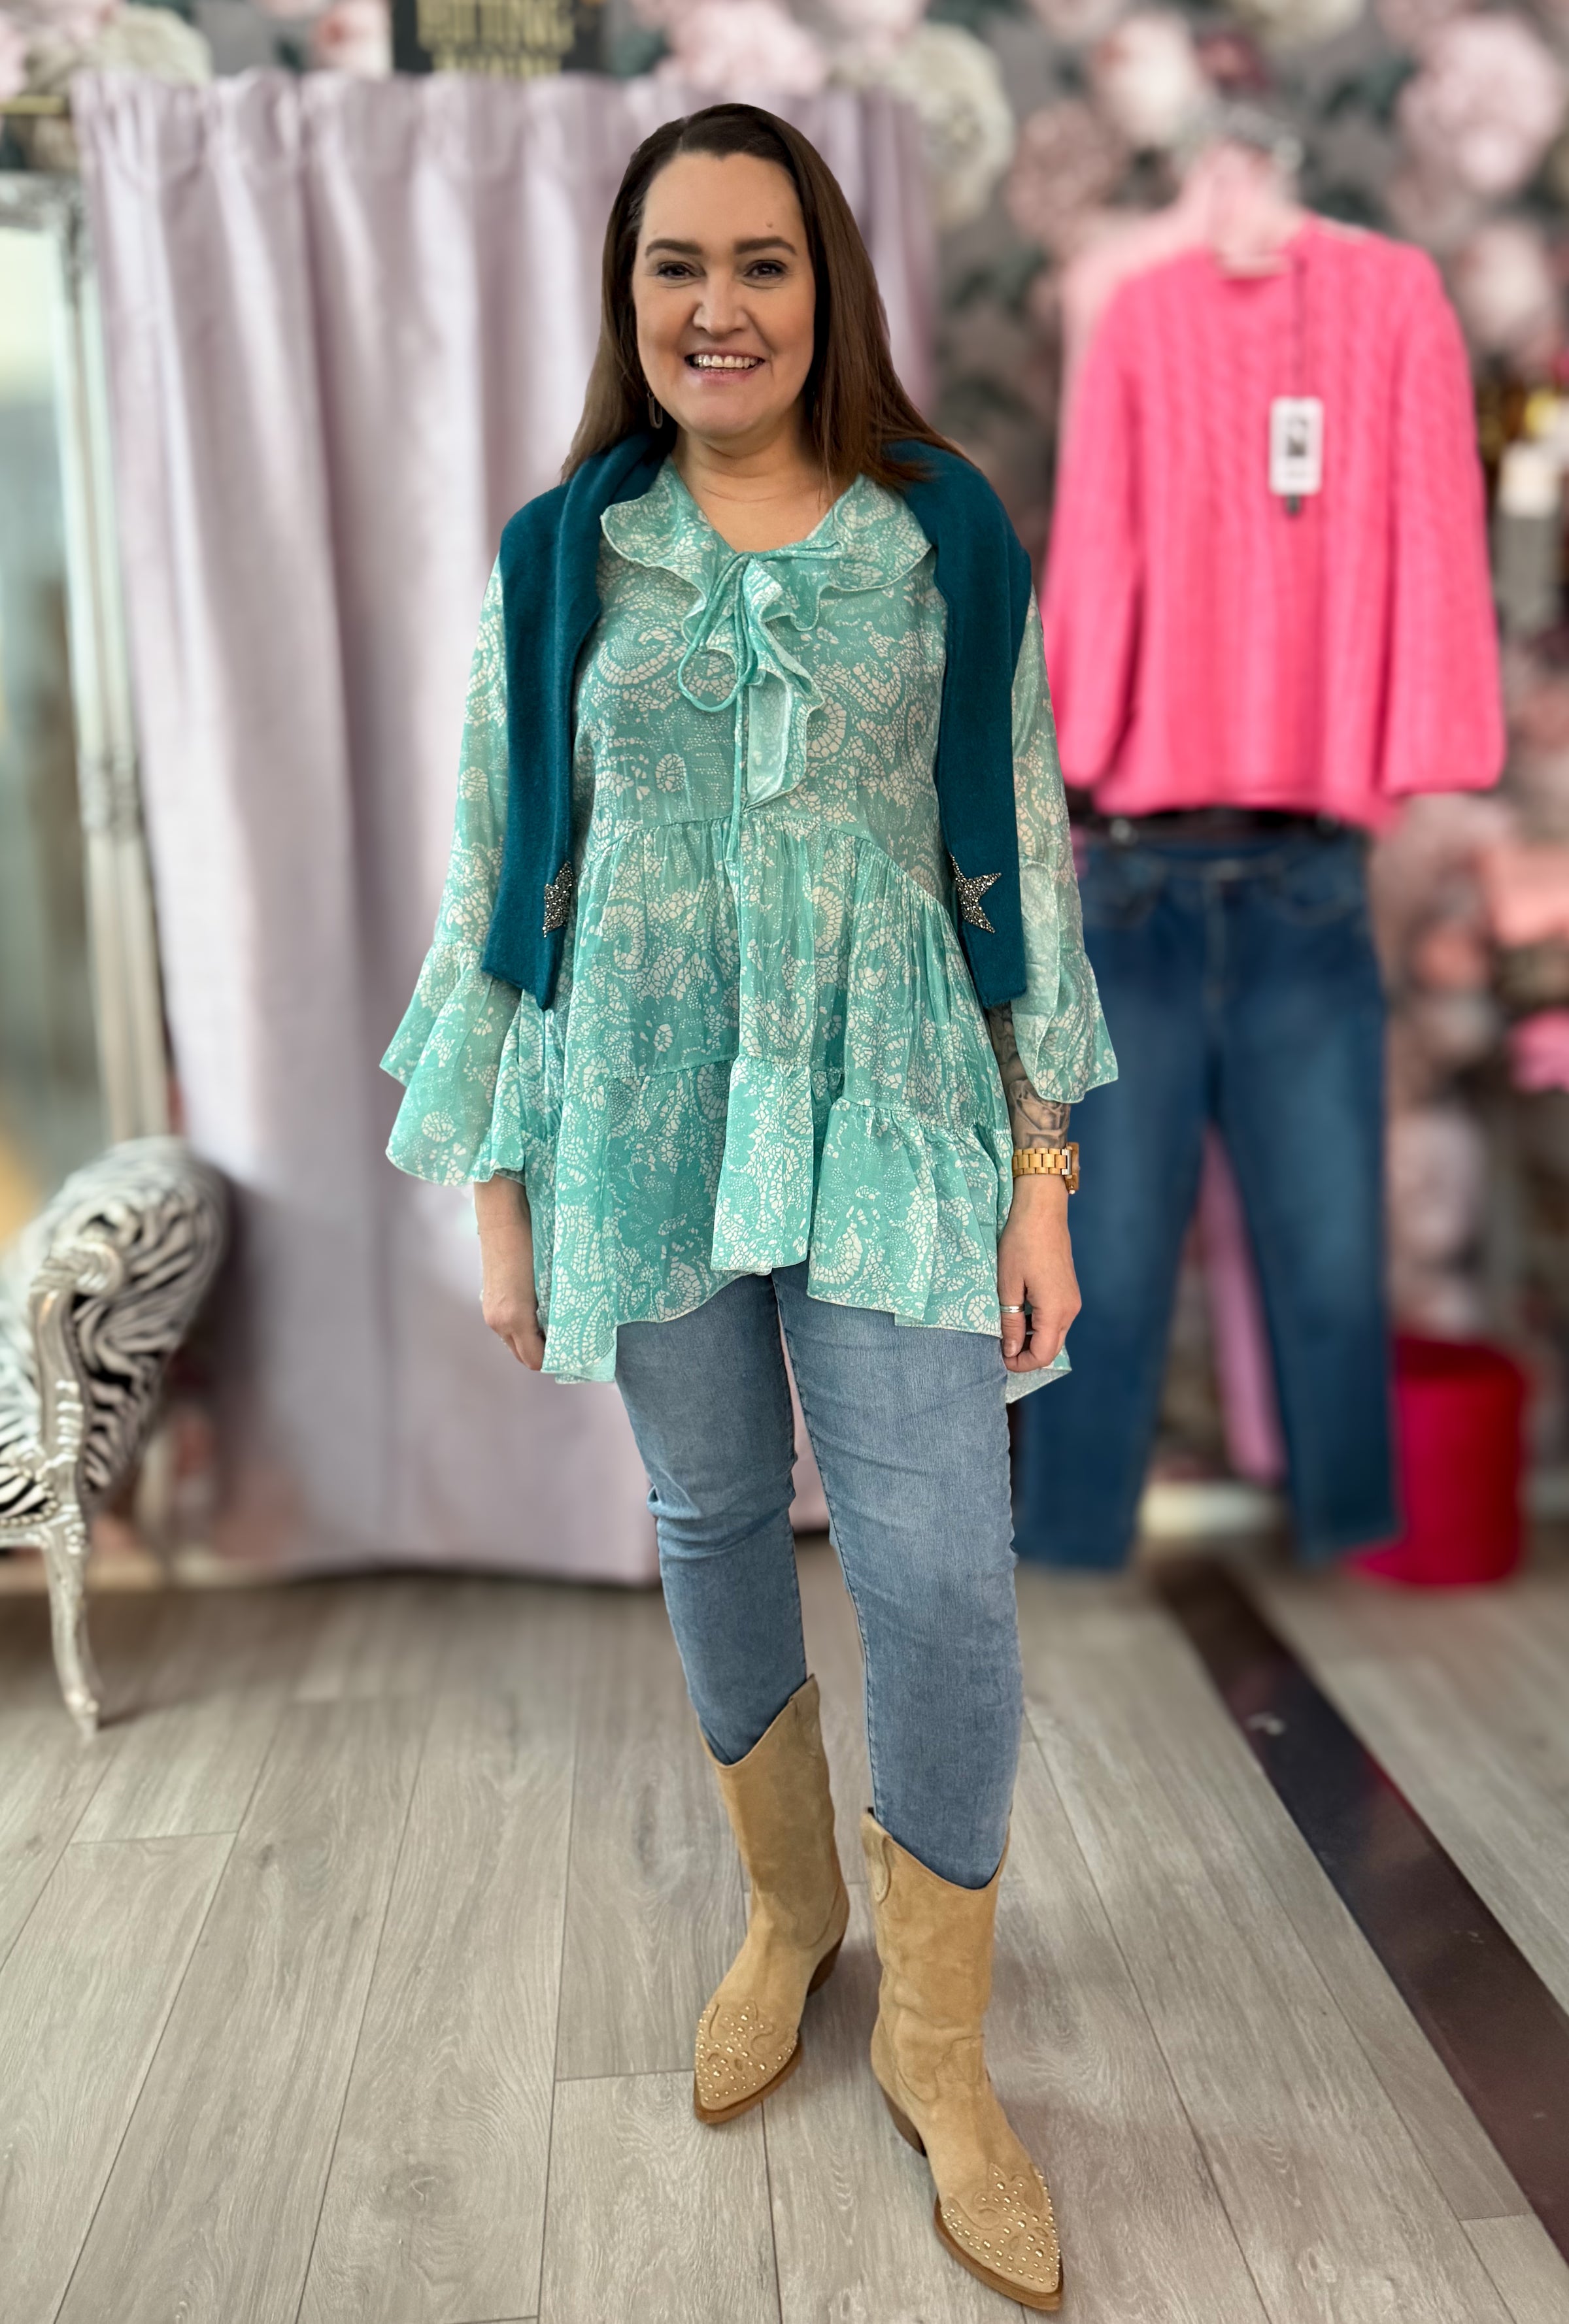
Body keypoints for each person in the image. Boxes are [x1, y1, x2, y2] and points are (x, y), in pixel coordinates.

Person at [383, 101, 1114, 2313]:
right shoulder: (562, 553)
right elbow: (501, 873)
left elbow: (1022, 850)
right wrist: (500, 1191)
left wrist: (1042, 1172)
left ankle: (939, 2041)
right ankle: (793, 1914)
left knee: (942, 1576)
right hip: (638, 1109)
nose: (720, 306)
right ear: (629, 297)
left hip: (898, 1103)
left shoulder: (942, 528)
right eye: (677, 265)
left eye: (764, 262)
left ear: (827, 290)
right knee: (710, 1520)